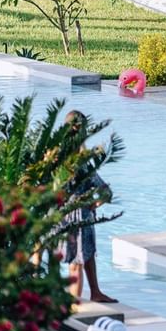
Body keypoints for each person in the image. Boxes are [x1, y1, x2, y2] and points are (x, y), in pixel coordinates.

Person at [60, 110, 116, 303]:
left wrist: (94, 204)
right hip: (80, 216)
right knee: (85, 257)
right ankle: (93, 293)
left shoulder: (65, 159)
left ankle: (77, 301)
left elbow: (105, 191)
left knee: (78, 260)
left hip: (72, 216)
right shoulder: (78, 160)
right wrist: (94, 204)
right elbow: (105, 191)